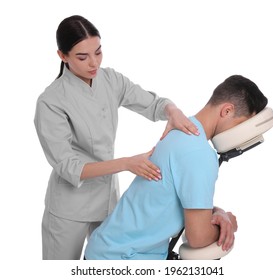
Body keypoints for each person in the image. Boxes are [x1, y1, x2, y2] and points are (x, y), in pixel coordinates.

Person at [34, 15, 199, 260]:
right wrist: (126, 163)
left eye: (98, 52)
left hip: (107, 202)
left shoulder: (110, 80)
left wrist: (171, 111)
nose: (94, 63)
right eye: (82, 56)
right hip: (69, 207)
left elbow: (153, 104)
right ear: (62, 56)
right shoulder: (51, 101)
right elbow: (68, 166)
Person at [84, 75, 268, 260]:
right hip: (122, 259)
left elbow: (172, 196)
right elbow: (199, 237)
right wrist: (229, 225)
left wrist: (218, 212)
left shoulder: (182, 131)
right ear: (227, 111)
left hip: (103, 249)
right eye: (241, 124)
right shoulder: (199, 154)